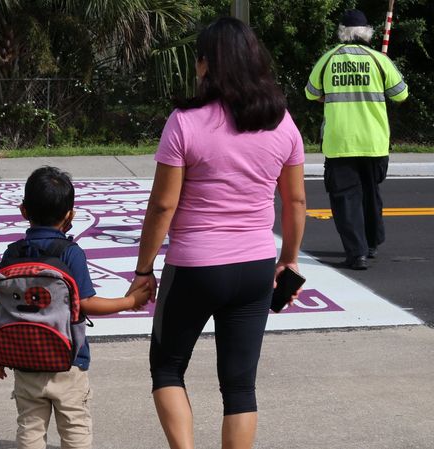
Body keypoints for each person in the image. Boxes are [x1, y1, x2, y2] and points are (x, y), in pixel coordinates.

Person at [127, 18, 307, 449]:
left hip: (196, 266)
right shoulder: (281, 122)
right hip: (257, 266)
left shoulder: (185, 121)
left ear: (206, 64)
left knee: (168, 368)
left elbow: (163, 205)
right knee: (240, 386)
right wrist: (290, 260)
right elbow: (296, 202)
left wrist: (144, 267)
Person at [0, 166, 150, 449]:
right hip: (69, 361)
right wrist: (130, 302)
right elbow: (87, 302)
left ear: (23, 211)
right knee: (75, 427)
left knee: (29, 427)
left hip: (24, 361)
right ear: (70, 215)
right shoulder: (70, 253)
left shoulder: (12, 253)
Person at [305, 9, 409, 270]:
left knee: (346, 198)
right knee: (370, 193)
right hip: (373, 142)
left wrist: (327, 96)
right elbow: (401, 94)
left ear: (342, 32)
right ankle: (372, 243)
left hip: (340, 143)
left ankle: (357, 253)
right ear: (367, 33)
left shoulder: (328, 59)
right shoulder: (378, 60)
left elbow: (310, 93)